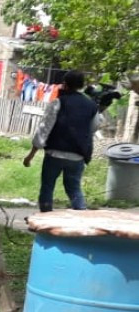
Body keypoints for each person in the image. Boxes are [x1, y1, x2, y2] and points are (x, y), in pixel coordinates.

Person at [23, 70, 103, 211]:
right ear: (81, 85)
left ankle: (46, 221)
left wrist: (30, 155)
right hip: (77, 156)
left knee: (48, 187)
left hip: (54, 154)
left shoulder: (58, 102)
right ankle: (81, 219)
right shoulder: (91, 105)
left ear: (64, 84)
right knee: (74, 189)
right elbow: (94, 126)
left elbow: (44, 129)